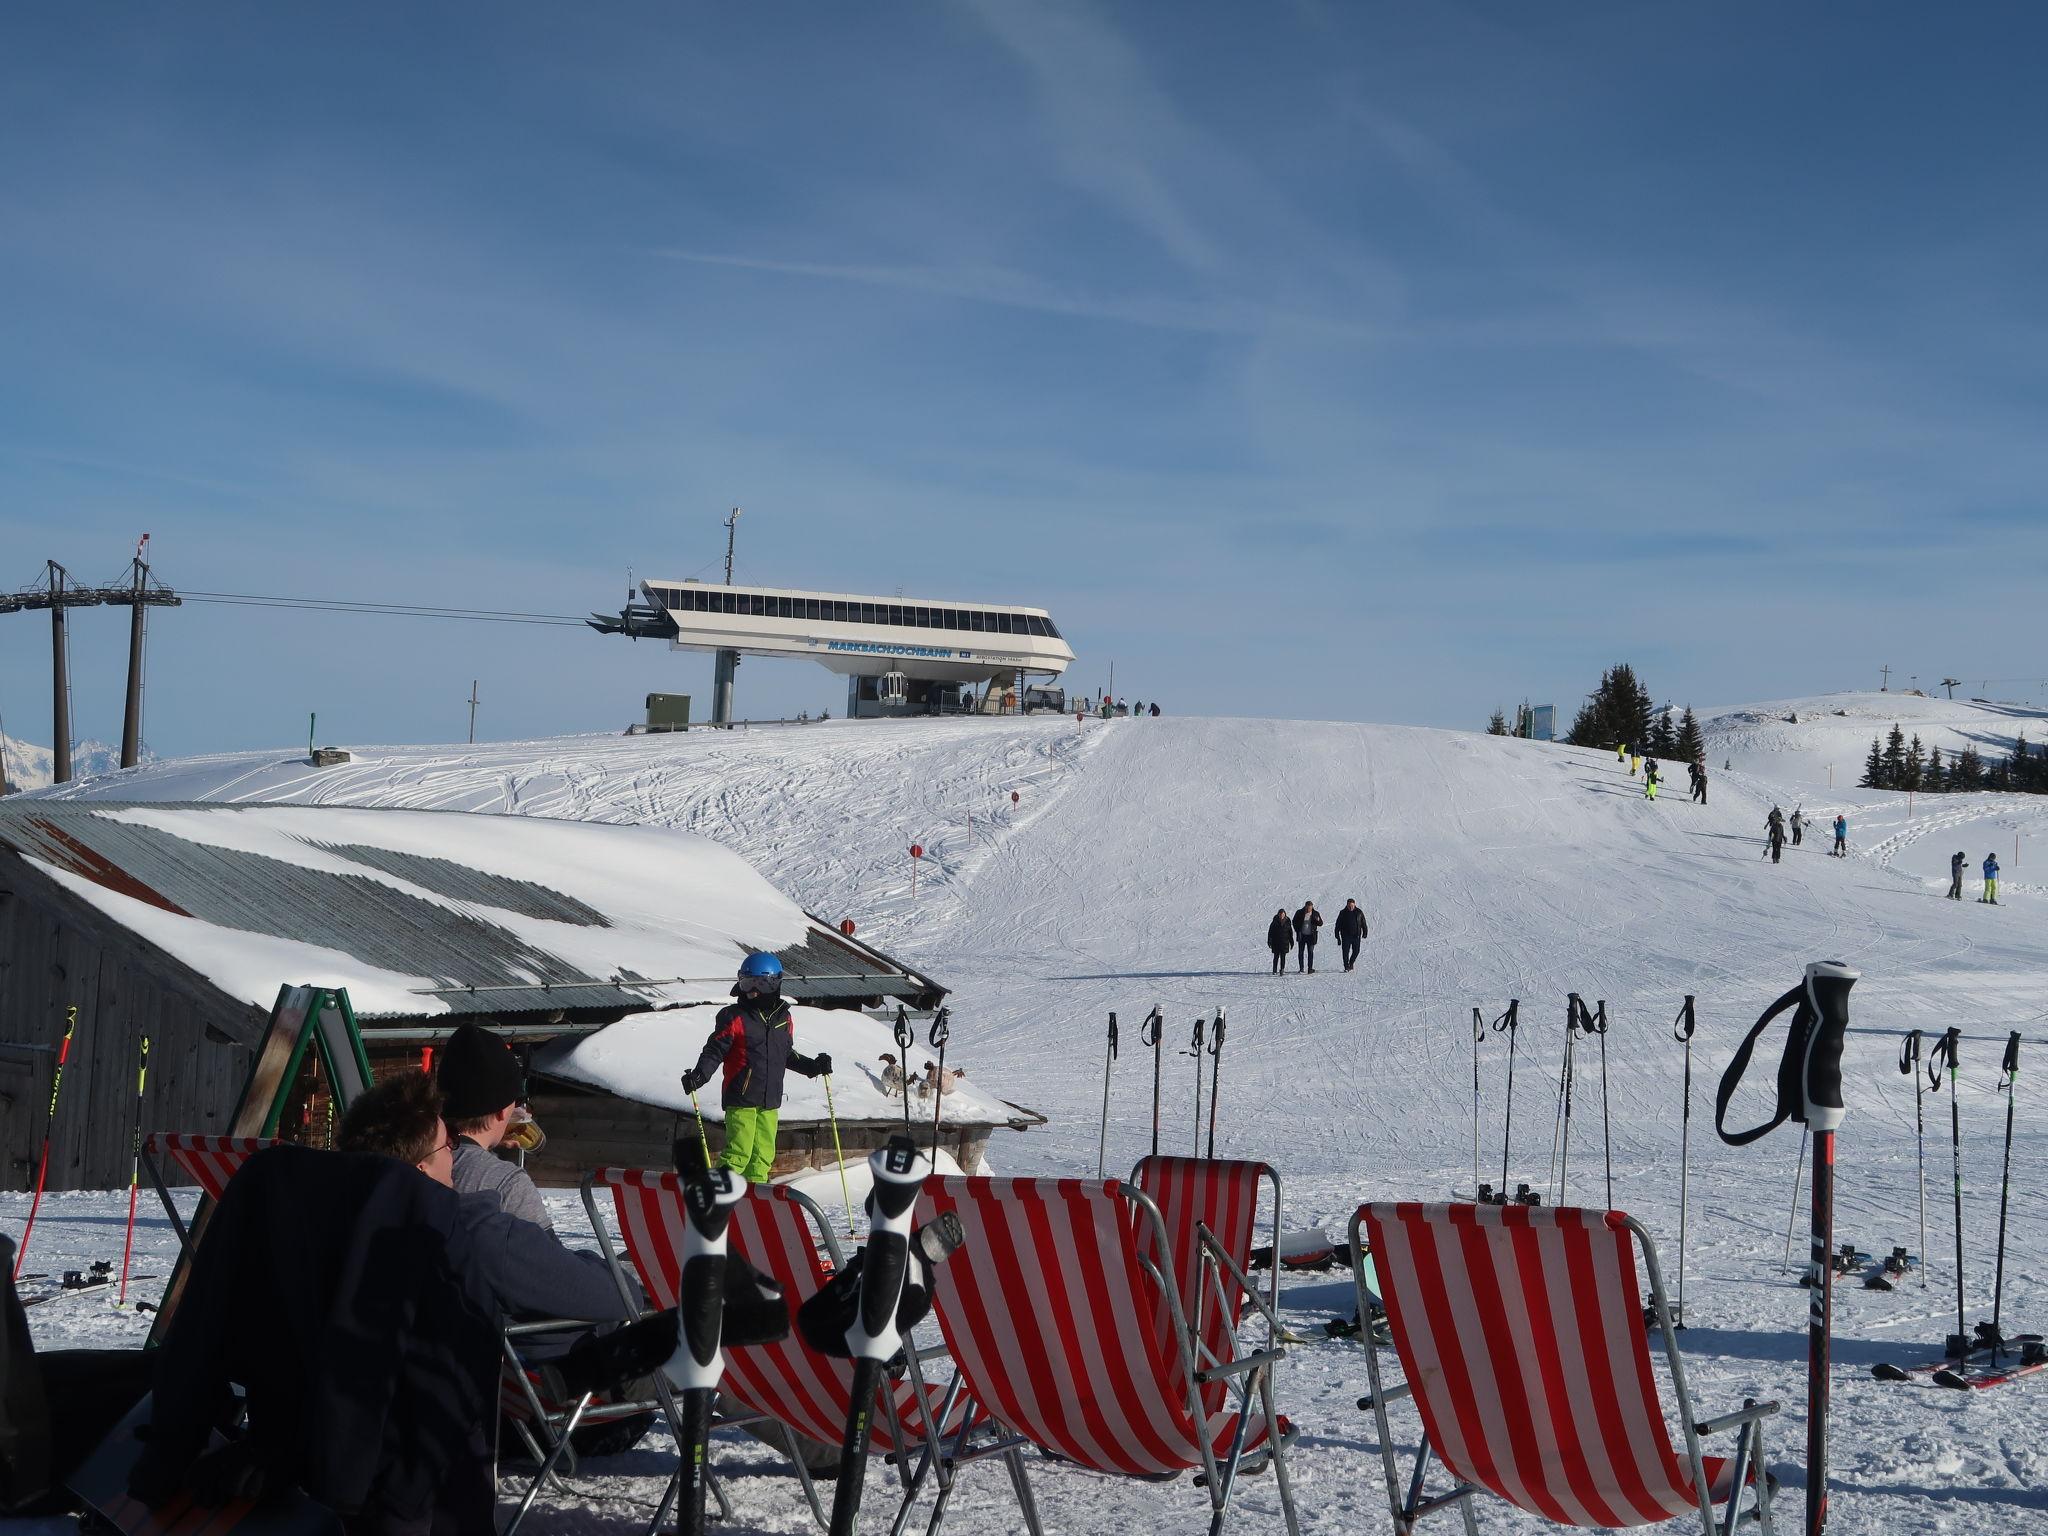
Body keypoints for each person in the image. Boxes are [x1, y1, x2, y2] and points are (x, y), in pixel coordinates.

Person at [680, 953, 832, 1184]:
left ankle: (754, 1203)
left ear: (774, 984)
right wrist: (700, 1075)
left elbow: (785, 1054)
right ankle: (718, 1198)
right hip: (741, 1097)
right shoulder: (734, 1017)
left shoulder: (784, 1018)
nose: (753, 991)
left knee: (762, 1157)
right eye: (747, 983)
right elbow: (715, 1050)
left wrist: (813, 1066)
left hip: (770, 1100)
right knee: (739, 1154)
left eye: (760, 983)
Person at [435, 1021, 551, 1231]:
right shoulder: (508, 1184)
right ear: (503, 1111)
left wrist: (486, 1145)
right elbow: (551, 1261)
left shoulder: (414, 1155)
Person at [1333, 899, 1368, 970]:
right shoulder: (1342, 913)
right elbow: (1338, 925)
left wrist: (1365, 932)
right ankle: (1346, 966)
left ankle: (1351, 962)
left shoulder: (1359, 912)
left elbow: (1363, 922)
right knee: (1345, 952)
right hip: (1346, 936)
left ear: (1354, 905)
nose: (1351, 907)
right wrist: (1337, 936)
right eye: (1349, 906)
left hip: (1356, 936)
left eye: (1352, 906)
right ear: (1347, 905)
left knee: (1356, 951)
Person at [1293, 901, 1323, 973]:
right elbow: (1294, 921)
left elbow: (1321, 923)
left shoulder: (1315, 913)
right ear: (1305, 906)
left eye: (1310, 908)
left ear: (1312, 907)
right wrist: (1297, 930)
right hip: (1302, 936)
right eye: (1307, 908)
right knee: (1301, 952)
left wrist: (1317, 920)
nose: (1309, 909)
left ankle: (1310, 968)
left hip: (1311, 936)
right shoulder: (1299, 912)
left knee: (1310, 952)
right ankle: (1301, 968)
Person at [1265, 909, 1293, 974]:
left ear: (1285, 915)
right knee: (1276, 957)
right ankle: (1274, 970)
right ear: (1278, 914)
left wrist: (1291, 942)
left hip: (1284, 942)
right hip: (1276, 942)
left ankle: (1282, 969)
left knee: (1283, 957)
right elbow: (1270, 932)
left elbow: (1290, 933)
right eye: (1280, 914)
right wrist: (1269, 941)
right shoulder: (1274, 922)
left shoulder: (1288, 922)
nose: (1281, 916)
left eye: (1283, 914)